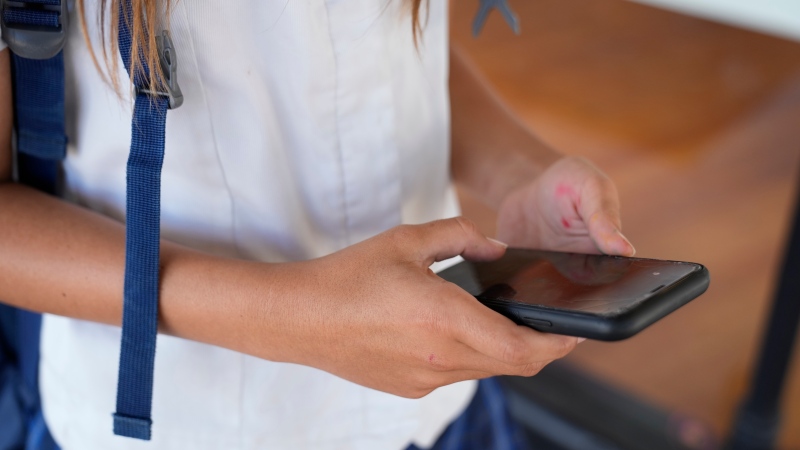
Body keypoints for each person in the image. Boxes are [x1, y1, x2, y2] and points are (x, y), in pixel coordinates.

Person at [0, 0, 635, 448]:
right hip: (185, 426)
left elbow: (381, 41)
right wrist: (301, 318)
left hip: (441, 405)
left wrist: (520, 172)